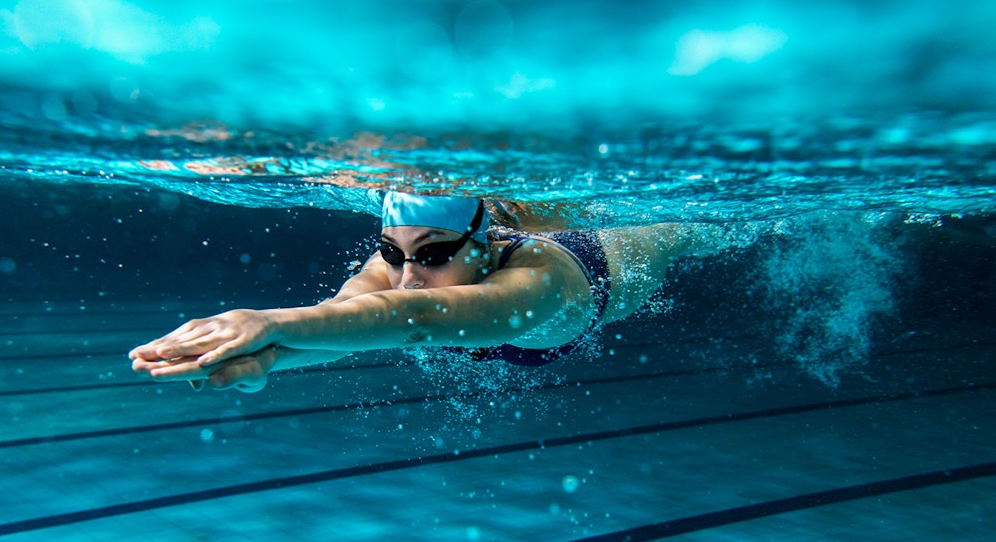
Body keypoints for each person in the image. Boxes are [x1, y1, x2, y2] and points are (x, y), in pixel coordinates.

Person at [129, 192, 699, 392]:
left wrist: (269, 322)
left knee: (692, 234)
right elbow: (344, 322)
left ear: (484, 244)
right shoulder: (398, 272)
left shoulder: (540, 280)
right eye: (393, 252)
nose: (406, 276)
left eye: (431, 254)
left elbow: (416, 317)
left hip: (621, 257)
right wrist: (266, 362)